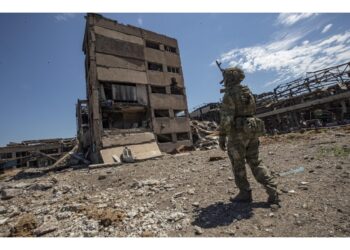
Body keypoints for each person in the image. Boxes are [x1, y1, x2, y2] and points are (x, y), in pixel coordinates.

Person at [218, 66, 280, 205]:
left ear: (228, 79)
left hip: (238, 133)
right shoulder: (247, 92)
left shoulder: (229, 95)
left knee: (238, 164)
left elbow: (226, 118)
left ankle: (244, 193)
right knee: (255, 161)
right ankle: (272, 189)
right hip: (252, 130)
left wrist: (222, 136)